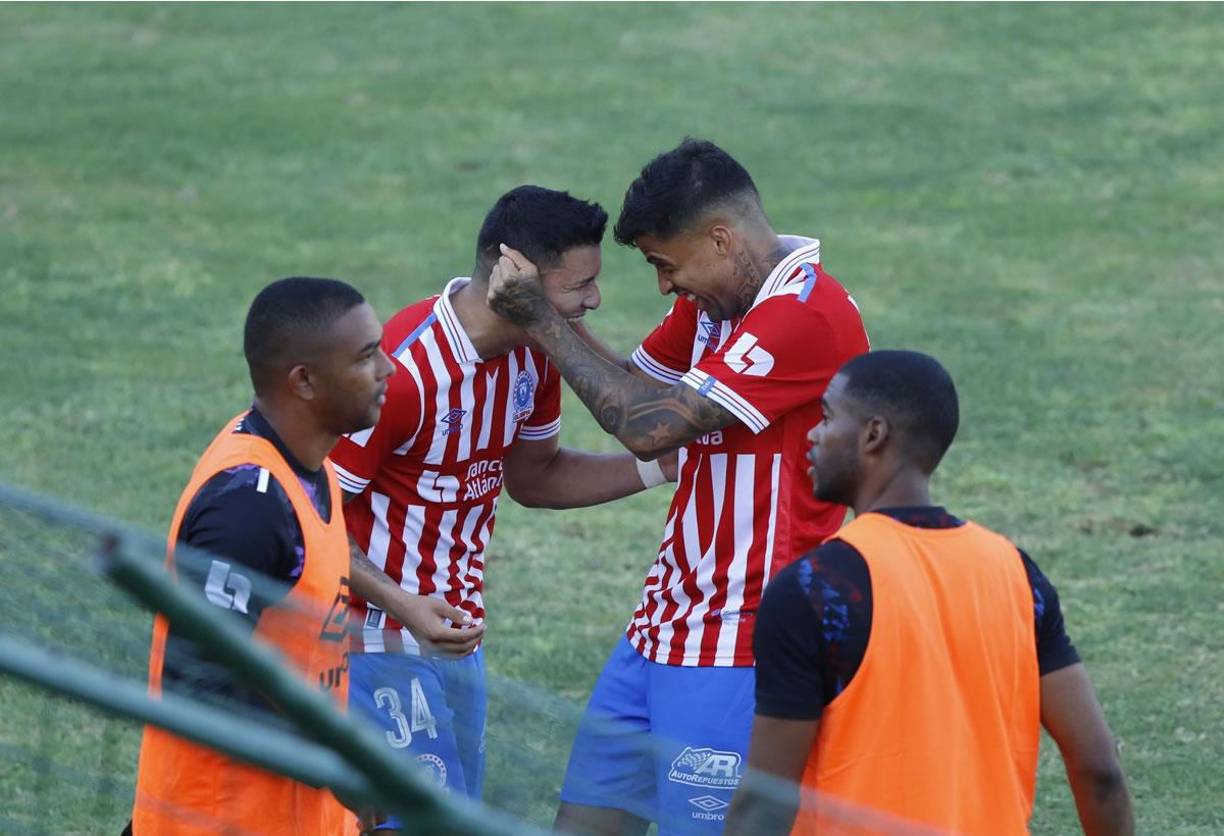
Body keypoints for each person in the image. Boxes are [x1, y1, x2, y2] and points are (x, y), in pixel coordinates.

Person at [486, 139, 870, 835]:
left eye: (666, 265)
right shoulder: (718, 304)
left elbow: (645, 425)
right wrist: (550, 311)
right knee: (585, 825)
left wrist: (541, 320)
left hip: (741, 634)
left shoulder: (804, 314)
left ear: (721, 239)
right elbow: (629, 385)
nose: (664, 287)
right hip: (662, 622)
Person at [329, 185, 677, 832]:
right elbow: (310, 517)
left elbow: (536, 477)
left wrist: (661, 466)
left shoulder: (536, 356)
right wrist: (405, 606)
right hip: (371, 638)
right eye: (580, 286)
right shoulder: (398, 373)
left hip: (457, 641)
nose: (594, 301)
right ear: (514, 274)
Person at [724, 350, 1135, 835]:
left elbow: (766, 804)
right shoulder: (1017, 574)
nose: (813, 435)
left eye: (828, 418)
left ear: (873, 435)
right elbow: (1099, 770)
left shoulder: (814, 589)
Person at [132, 277, 395, 834]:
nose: (388, 370)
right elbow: (198, 681)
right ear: (304, 381)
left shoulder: (312, 464)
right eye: (367, 356)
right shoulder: (248, 506)